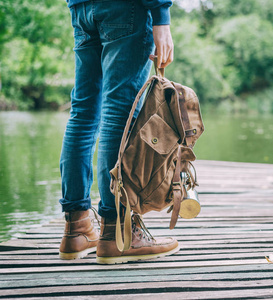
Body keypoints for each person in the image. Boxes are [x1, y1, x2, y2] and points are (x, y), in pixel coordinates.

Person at [58, 0, 179, 264]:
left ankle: (76, 228)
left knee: (83, 113)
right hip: (125, 8)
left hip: (81, 9)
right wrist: (162, 15)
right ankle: (117, 233)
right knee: (118, 112)